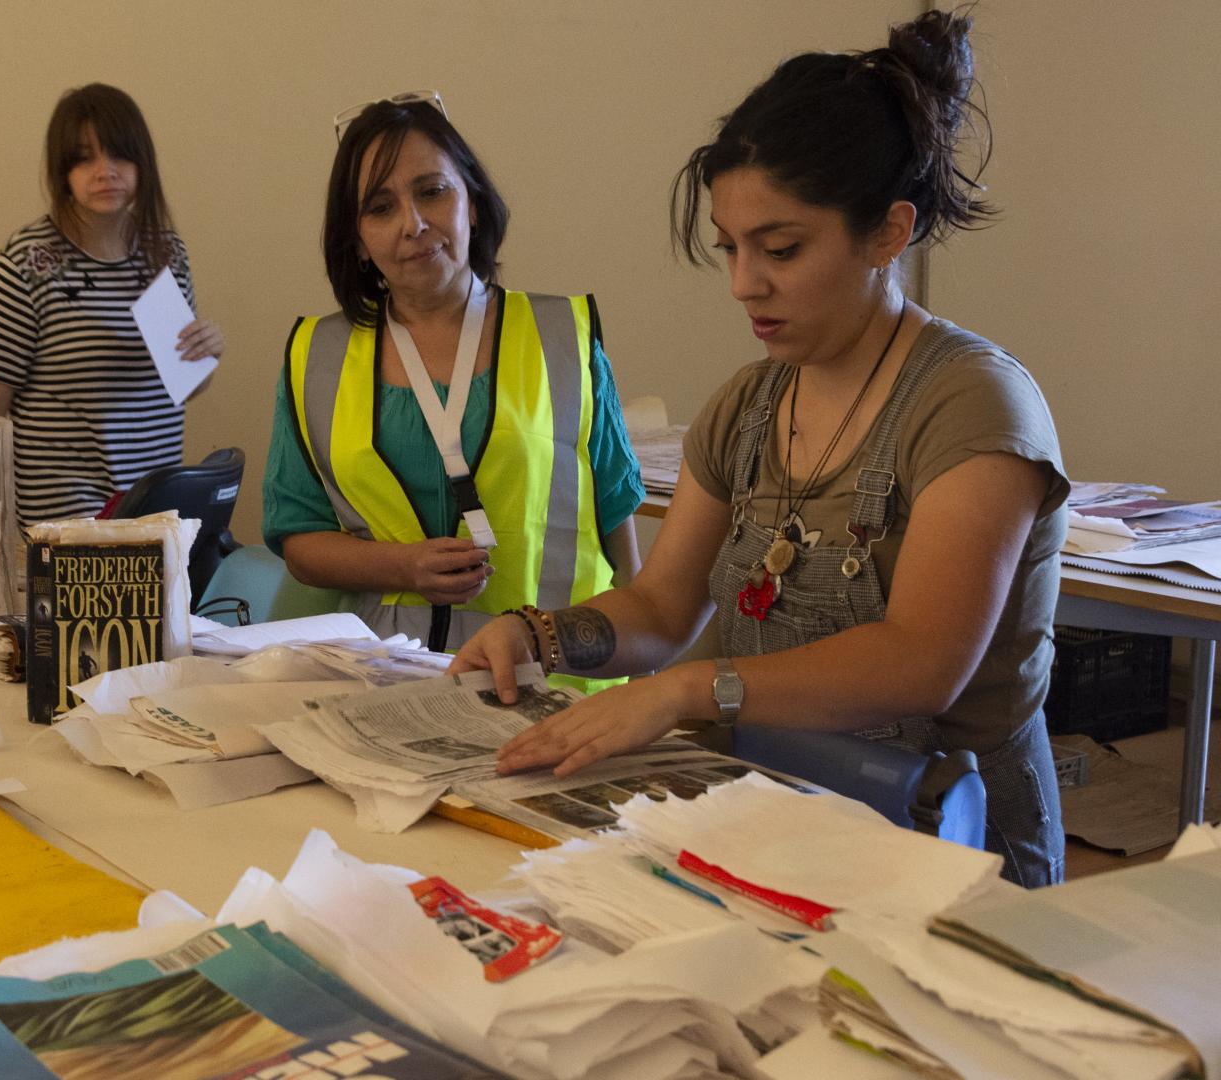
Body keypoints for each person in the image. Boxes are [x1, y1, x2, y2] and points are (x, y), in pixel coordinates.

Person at [451, 11, 1070, 887]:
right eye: (731, 248)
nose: (746, 283)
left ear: (889, 233)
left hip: (946, 852)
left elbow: (922, 662)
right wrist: (536, 634)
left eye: (781, 248)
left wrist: (684, 692)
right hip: (778, 822)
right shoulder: (749, 404)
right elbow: (664, 612)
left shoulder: (972, 404)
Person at [263, 94, 646, 658]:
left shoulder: (561, 335)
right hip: (389, 683)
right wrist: (405, 565)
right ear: (358, 240)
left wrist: (645, 668)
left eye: (431, 192)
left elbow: (615, 518)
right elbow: (298, 540)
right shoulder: (315, 355)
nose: (413, 224)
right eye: (380, 207)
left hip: (554, 686)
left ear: (471, 203)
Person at [0, 83, 224, 526]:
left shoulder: (166, 252)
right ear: (62, 171)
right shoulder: (26, 264)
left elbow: (182, 386)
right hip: (65, 525)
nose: (105, 171)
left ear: (142, 163)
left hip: (154, 512)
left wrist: (205, 354)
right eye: (85, 158)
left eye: (120, 154)